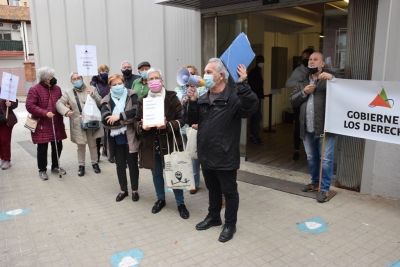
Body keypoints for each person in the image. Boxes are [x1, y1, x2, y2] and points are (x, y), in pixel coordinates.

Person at [185, 58, 258, 242]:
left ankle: (230, 224)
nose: (205, 76)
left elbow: (251, 107)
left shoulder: (233, 98)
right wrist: (192, 102)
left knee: (230, 192)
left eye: (209, 72)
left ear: (221, 76)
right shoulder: (203, 98)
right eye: (205, 72)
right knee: (212, 189)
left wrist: (243, 85)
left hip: (225, 155)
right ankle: (214, 217)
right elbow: (191, 120)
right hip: (206, 154)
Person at [134, 68, 190, 219]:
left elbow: (182, 119)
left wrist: (167, 125)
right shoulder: (142, 101)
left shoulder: (172, 97)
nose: (153, 81)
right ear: (146, 82)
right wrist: (142, 126)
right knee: (156, 173)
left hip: (171, 143)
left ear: (162, 80)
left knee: (175, 172)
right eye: (150, 79)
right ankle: (161, 199)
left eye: (156, 78)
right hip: (153, 145)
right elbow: (136, 122)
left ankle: (180, 203)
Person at [289, 52, 335, 203]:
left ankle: (325, 189)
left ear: (322, 64)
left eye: (315, 59)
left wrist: (333, 79)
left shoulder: (329, 79)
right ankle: (315, 183)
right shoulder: (302, 80)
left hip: (324, 127)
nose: (312, 61)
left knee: (326, 159)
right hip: (307, 126)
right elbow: (292, 100)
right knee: (311, 157)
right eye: (310, 59)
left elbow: (343, 93)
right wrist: (304, 92)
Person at [101, 74, 140, 202]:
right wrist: (126, 120)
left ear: (123, 83)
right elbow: (106, 121)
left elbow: (136, 112)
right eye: (114, 84)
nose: (117, 86)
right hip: (116, 140)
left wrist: (119, 116)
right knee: (120, 165)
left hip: (130, 136)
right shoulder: (106, 100)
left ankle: (135, 190)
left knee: (133, 165)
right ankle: (123, 190)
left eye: (119, 83)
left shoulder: (132, 94)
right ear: (110, 86)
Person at [56, 72, 102, 177]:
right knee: (80, 145)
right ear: (71, 81)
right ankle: (81, 166)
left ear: (82, 78)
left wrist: (93, 96)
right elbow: (59, 103)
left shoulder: (92, 89)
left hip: (91, 121)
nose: (77, 80)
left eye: (78, 78)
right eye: (74, 79)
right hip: (78, 122)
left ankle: (95, 163)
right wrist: (66, 111)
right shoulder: (68, 93)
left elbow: (100, 102)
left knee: (93, 144)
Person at [26, 66, 67, 180]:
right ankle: (42, 170)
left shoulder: (57, 88)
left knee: (58, 145)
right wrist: (45, 113)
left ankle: (55, 166)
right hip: (42, 124)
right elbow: (30, 106)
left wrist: (65, 107)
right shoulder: (34, 89)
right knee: (43, 148)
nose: (54, 79)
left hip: (56, 122)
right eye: (51, 77)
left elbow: (60, 103)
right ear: (45, 78)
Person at [174, 64, 207, 194]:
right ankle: (189, 178)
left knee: (194, 155)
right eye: (186, 74)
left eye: (192, 73)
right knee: (187, 155)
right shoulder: (178, 90)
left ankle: (194, 182)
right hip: (183, 128)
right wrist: (182, 103)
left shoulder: (202, 89)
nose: (188, 76)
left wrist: (194, 98)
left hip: (195, 127)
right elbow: (176, 108)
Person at [286, 48, 315, 162]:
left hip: (313, 105)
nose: (305, 60)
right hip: (300, 101)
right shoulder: (299, 71)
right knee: (299, 125)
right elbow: (287, 83)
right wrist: (300, 81)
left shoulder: (320, 73)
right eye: (303, 57)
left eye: (307, 58)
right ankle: (297, 150)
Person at [91, 64, 112, 163]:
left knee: (109, 132)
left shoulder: (110, 81)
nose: (105, 72)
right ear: (98, 72)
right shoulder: (94, 83)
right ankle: (97, 155)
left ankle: (108, 152)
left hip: (109, 109)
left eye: (107, 71)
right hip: (98, 110)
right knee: (98, 135)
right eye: (103, 70)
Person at [248, 55, 265, 145]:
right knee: (257, 117)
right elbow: (255, 86)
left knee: (254, 117)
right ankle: (254, 136)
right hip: (255, 98)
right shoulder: (255, 72)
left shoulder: (256, 72)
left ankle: (253, 135)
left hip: (255, 98)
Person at [0, 89, 18, 170]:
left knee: (5, 140)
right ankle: (2, 158)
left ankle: (7, 159)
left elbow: (15, 103)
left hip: (5, 120)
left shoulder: (5, 91)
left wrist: (10, 104)